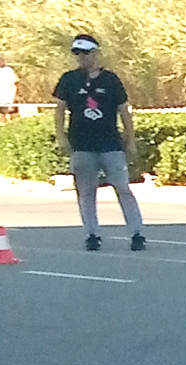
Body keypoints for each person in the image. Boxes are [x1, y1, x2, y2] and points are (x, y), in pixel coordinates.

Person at [52, 34, 145, 252]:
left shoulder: (110, 79)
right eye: (78, 54)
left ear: (95, 53)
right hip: (82, 143)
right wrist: (60, 135)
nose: (81, 58)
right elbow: (59, 109)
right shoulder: (69, 79)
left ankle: (136, 232)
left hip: (110, 143)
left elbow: (124, 111)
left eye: (85, 53)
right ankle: (92, 233)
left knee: (122, 187)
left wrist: (130, 139)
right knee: (85, 190)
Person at [0, 52, 18, 125]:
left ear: (2, 60)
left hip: (7, 100)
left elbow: (14, 85)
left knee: (9, 121)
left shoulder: (8, 71)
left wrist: (13, 101)